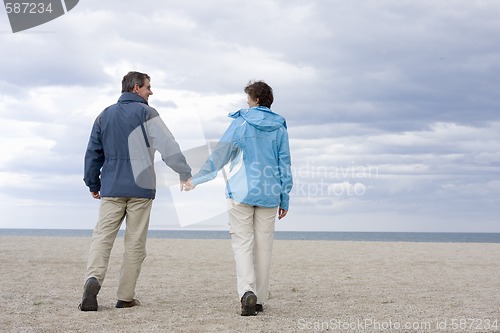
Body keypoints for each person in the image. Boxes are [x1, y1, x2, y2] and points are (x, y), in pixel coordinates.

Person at [80, 71, 192, 311]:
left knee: (102, 238)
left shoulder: (105, 115)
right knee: (135, 244)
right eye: (148, 87)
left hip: (111, 187)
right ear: (135, 88)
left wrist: (93, 183)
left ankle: (93, 280)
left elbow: (93, 153)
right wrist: (184, 172)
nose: (151, 91)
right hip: (141, 189)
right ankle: (125, 296)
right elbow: (168, 145)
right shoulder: (147, 113)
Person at [185, 80, 293, 316]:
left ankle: (247, 292)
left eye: (248, 99)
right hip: (270, 193)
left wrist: (197, 179)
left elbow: (220, 155)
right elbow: (284, 164)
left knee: (242, 244)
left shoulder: (241, 123)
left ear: (254, 100)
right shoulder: (280, 128)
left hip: (240, 192)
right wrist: (285, 198)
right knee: (264, 247)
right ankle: (260, 299)